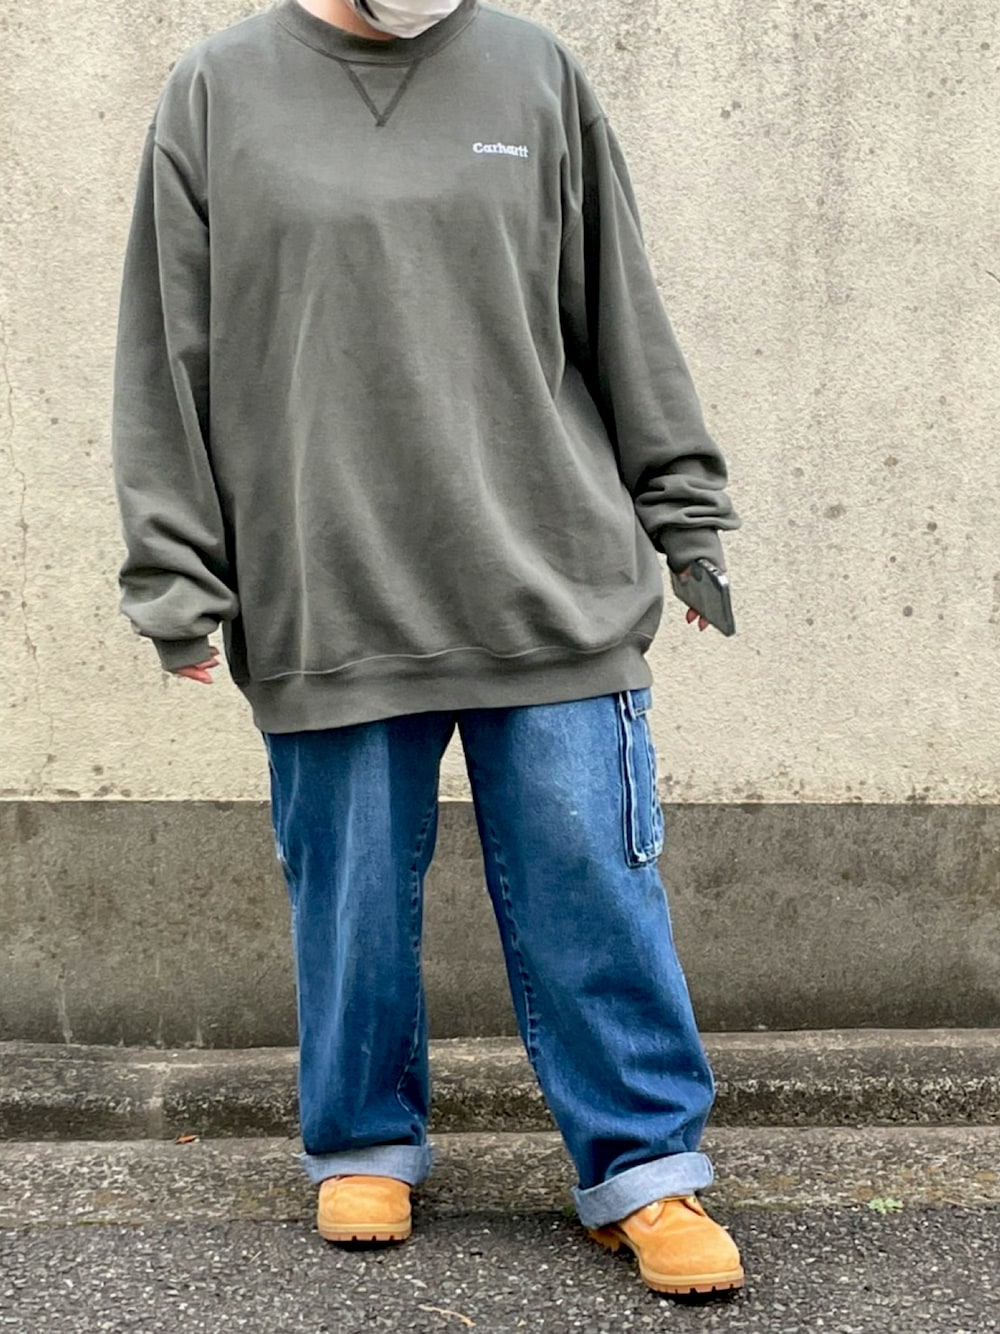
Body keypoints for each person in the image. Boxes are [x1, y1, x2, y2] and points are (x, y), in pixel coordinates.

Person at [111, 0, 744, 1299]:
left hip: (549, 576)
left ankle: (645, 1165)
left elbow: (619, 306)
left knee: (593, 882)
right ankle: (364, 1140)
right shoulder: (218, 92)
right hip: (329, 585)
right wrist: (177, 575)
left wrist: (684, 513)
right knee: (347, 894)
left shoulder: (534, 74)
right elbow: (167, 351)